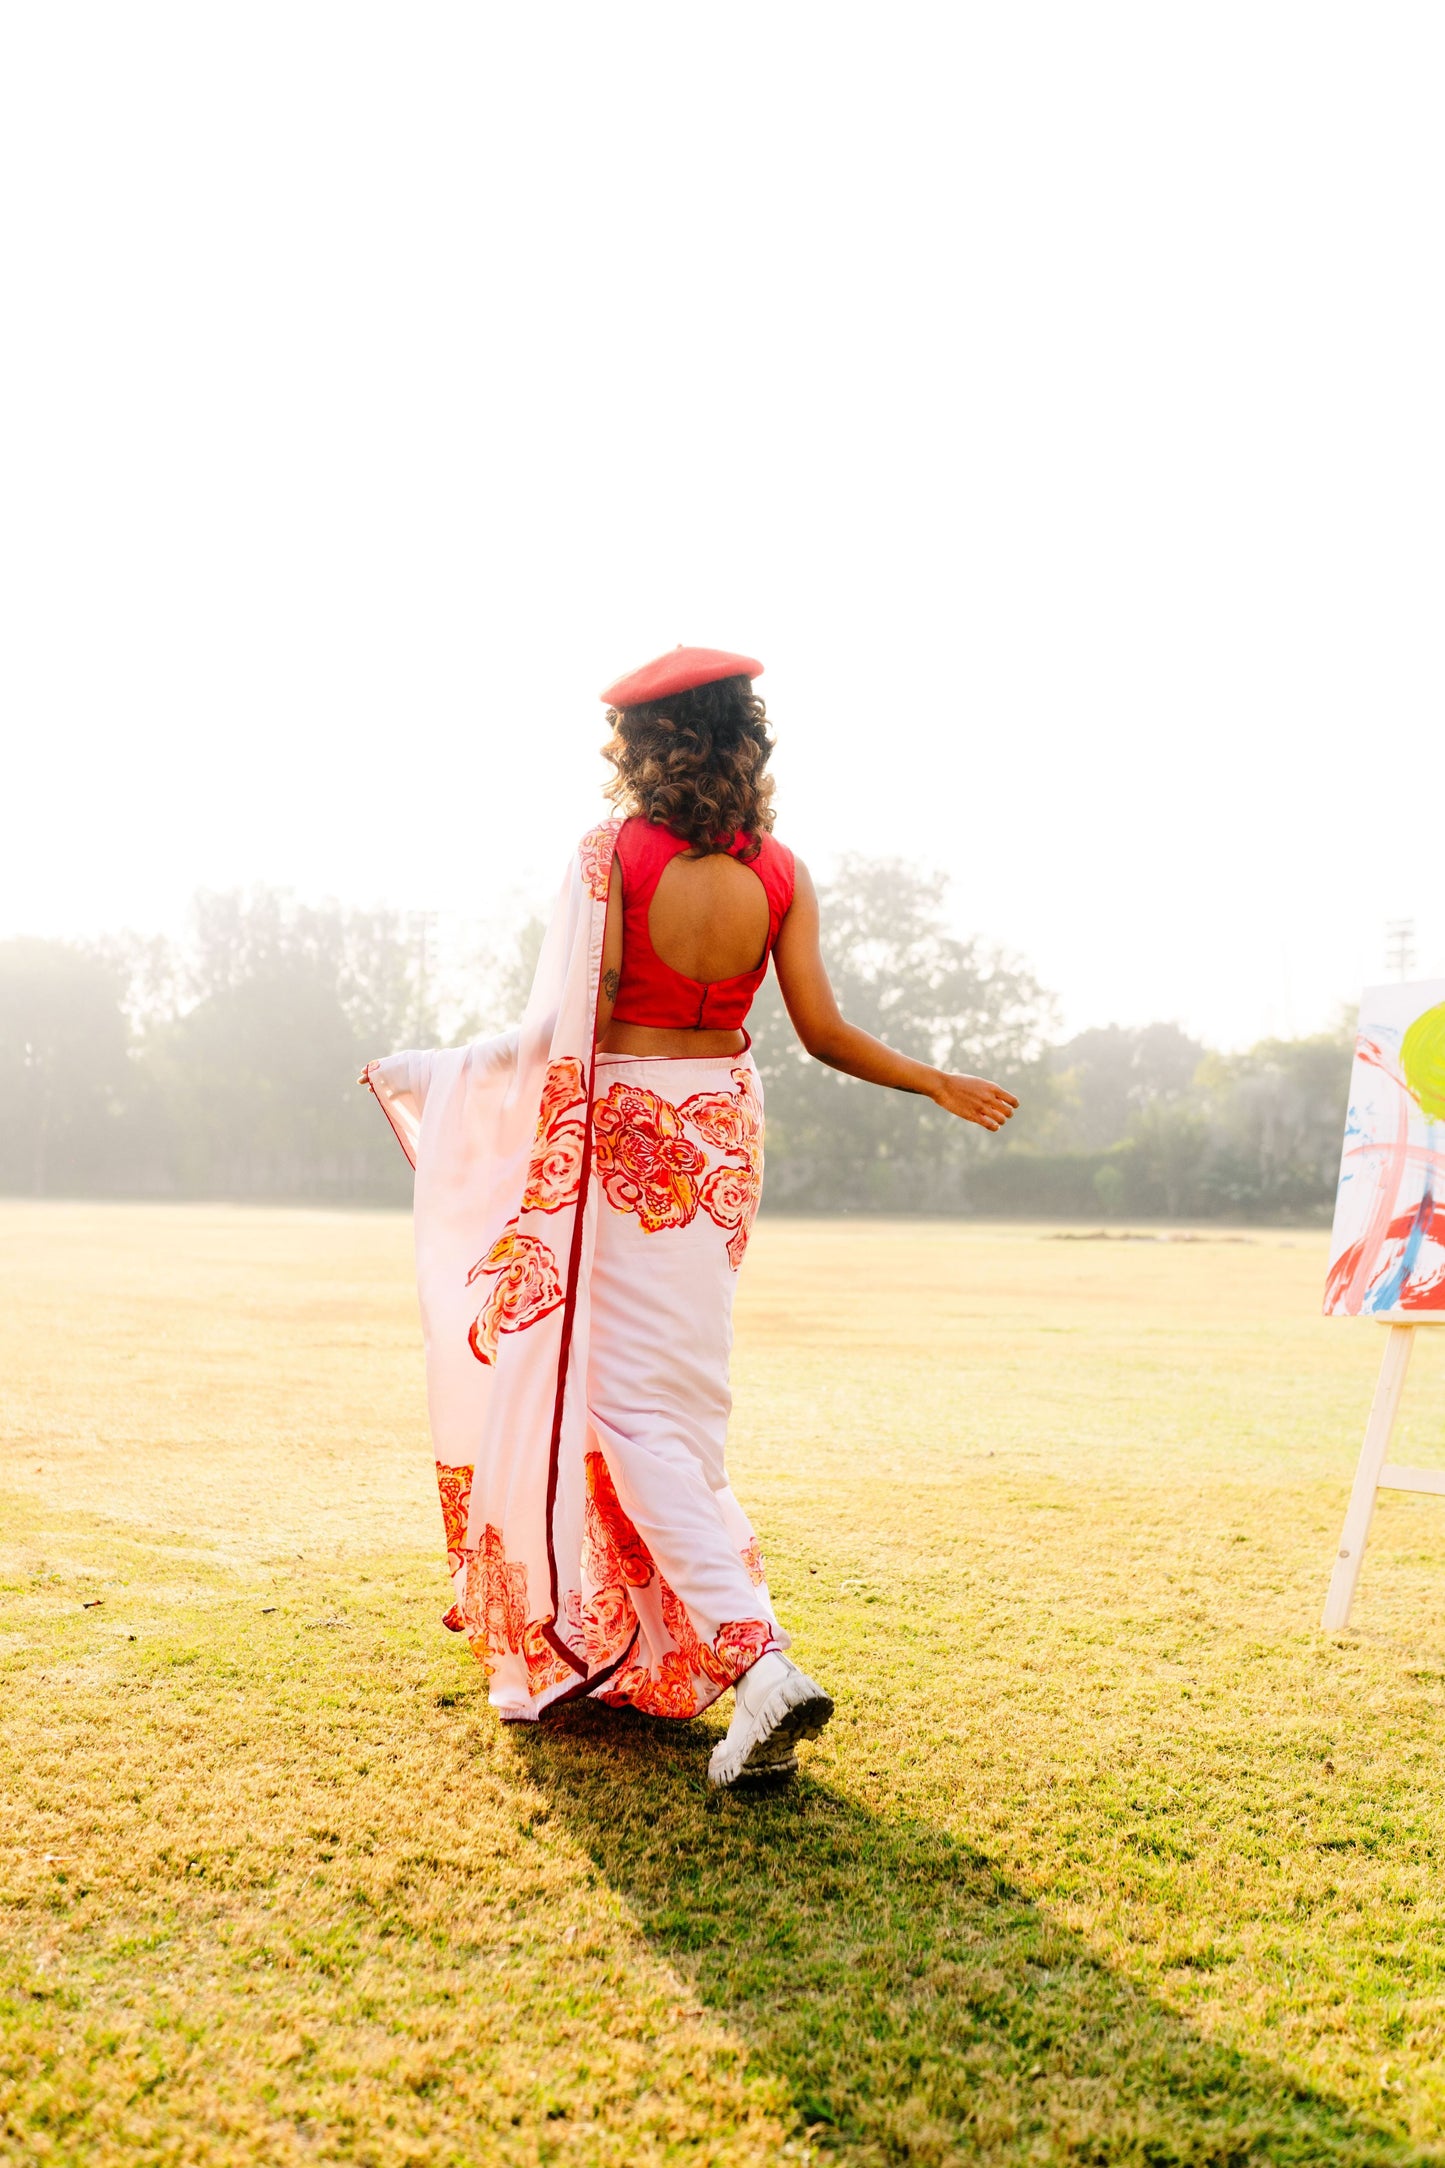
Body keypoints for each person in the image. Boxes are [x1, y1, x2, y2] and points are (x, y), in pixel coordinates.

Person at [364, 646, 1018, 1786]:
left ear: (643, 744)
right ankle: (695, 1646)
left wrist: (423, 1069)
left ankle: (756, 1659)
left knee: (625, 1410)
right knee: (678, 1398)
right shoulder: (781, 871)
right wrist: (932, 1078)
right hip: (716, 1134)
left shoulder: (607, 856)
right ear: (744, 736)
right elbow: (818, 1031)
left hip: (625, 1137)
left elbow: (549, 1030)